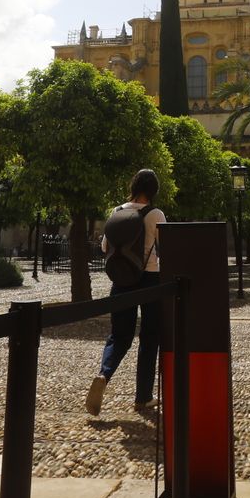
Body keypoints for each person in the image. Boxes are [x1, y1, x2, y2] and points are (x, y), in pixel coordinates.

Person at [86, 169, 167, 416]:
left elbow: (104, 247)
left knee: (119, 335)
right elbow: (167, 246)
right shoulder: (155, 214)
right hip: (151, 278)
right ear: (153, 191)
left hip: (121, 278)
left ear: (133, 186)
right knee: (149, 337)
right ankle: (143, 397)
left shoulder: (117, 211)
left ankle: (104, 374)